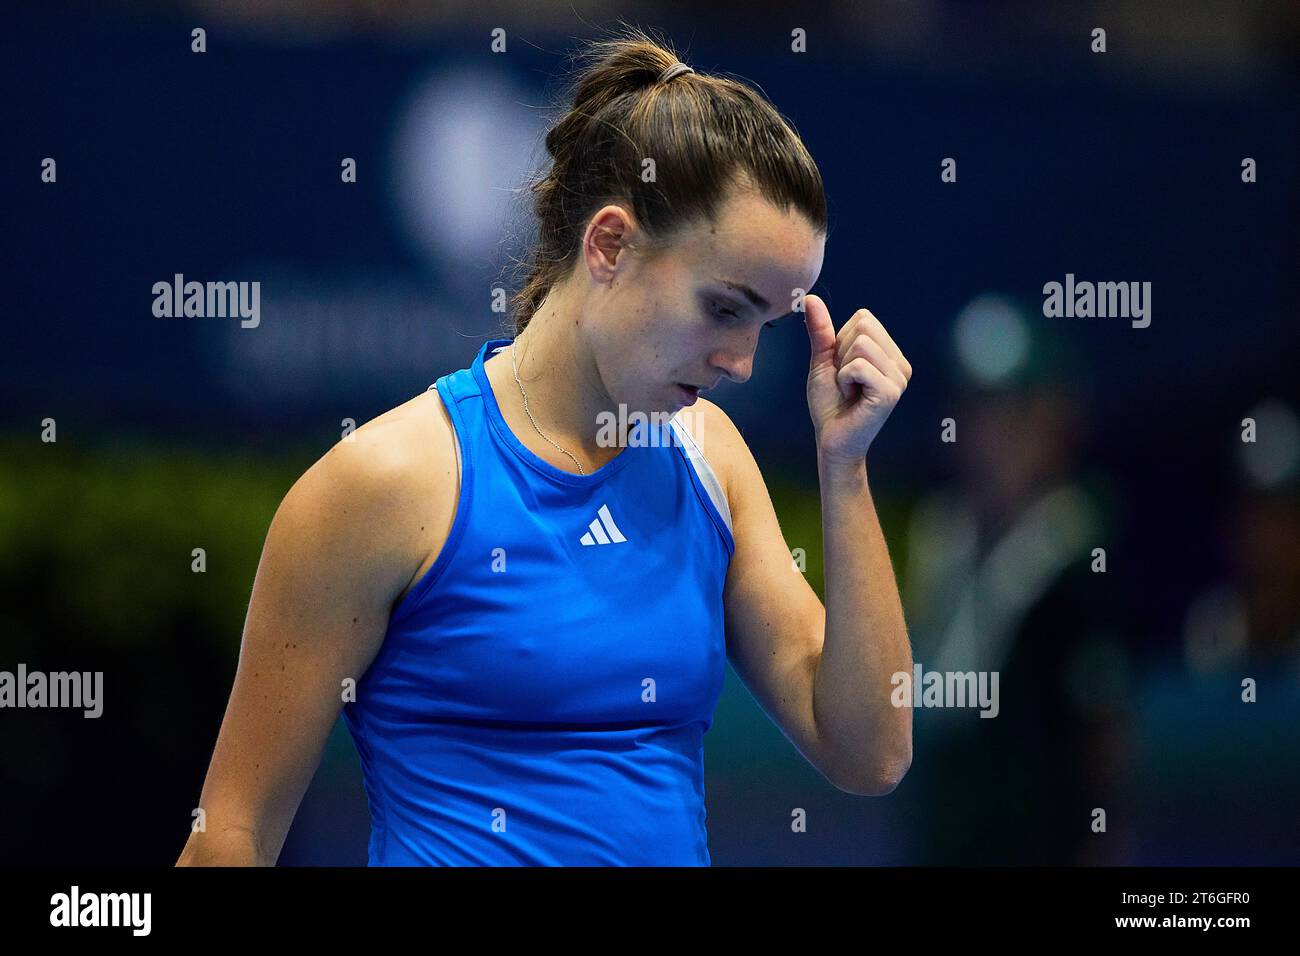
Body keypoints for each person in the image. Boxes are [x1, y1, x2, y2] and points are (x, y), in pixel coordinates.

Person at [176, 28, 913, 867]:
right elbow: (229, 836)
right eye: (724, 308)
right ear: (609, 245)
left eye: (766, 324)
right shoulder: (383, 484)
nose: (742, 364)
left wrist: (845, 467)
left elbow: (870, 754)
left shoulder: (714, 461)